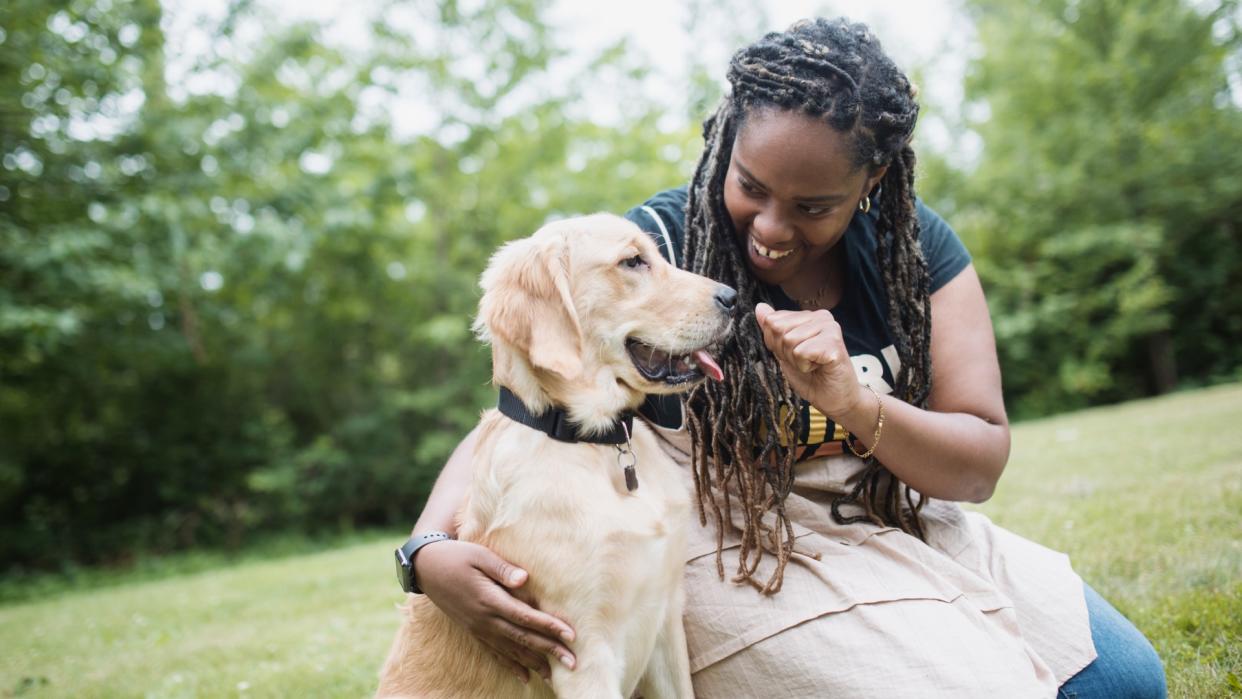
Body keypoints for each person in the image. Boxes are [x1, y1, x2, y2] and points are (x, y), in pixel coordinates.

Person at [401, 17, 1167, 698]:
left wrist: (856, 403)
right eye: (750, 186)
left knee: (1126, 682)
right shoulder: (661, 249)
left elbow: (977, 463)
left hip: (891, 512)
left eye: (812, 207)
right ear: (726, 143)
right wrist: (428, 550)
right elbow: (535, 407)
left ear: (871, 181)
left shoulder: (916, 251)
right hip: (739, 540)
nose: (769, 228)